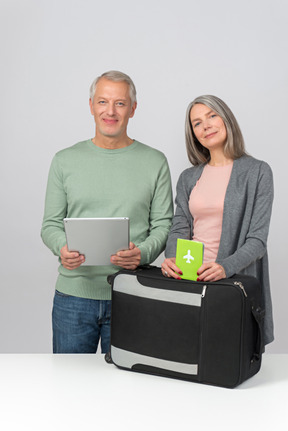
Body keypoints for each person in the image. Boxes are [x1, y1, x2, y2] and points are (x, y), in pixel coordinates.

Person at [41, 70, 173, 354]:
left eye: (120, 103)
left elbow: (163, 224)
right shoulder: (64, 161)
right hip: (74, 296)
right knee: (71, 388)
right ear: (91, 106)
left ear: (133, 109)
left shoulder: (155, 162)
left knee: (128, 392)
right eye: (102, 102)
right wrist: (61, 248)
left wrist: (144, 253)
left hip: (132, 292)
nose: (110, 111)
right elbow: (50, 225)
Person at [161, 95, 274, 345]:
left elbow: (257, 241)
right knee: (185, 352)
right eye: (197, 123)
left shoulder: (257, 172)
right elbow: (180, 226)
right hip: (189, 279)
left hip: (229, 282)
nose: (206, 126)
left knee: (225, 355)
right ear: (193, 133)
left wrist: (224, 267)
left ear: (226, 119)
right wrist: (171, 257)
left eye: (212, 116)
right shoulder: (188, 177)